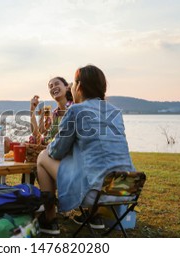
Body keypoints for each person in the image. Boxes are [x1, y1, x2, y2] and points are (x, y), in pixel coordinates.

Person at [36, 65, 135, 235]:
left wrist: (52, 145)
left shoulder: (76, 110)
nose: (72, 88)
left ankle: (50, 220)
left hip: (96, 191)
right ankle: (93, 217)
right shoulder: (114, 111)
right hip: (126, 186)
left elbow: (56, 151)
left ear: (79, 87)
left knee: (42, 157)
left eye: (73, 84)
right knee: (97, 163)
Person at [29, 77, 73, 145]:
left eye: (57, 84)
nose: (53, 87)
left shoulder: (76, 106)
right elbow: (43, 139)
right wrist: (32, 110)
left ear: (66, 87)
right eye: (51, 86)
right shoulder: (54, 115)